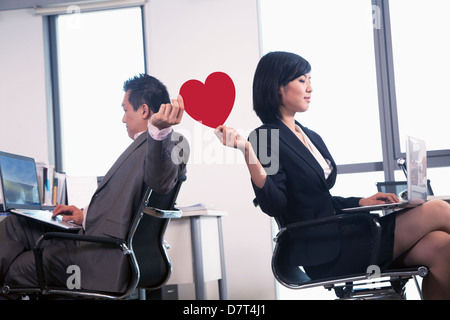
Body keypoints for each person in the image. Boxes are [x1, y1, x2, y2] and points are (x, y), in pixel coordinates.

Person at [216, 51, 450, 299]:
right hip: (326, 250)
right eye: (302, 80)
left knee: (441, 246)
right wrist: (247, 151)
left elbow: (317, 200)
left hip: (342, 236)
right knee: (438, 210)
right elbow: (276, 204)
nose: (310, 88)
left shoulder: (308, 136)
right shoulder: (265, 138)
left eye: (310, 79)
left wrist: (361, 202)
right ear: (277, 88)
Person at [0, 74, 188, 296]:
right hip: (100, 244)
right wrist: (84, 215)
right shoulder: (142, 146)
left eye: (125, 109)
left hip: (100, 257)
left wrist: (160, 132)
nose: (123, 118)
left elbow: (161, 182)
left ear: (144, 110)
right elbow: (124, 202)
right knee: (17, 224)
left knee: (21, 266)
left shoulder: (168, 142)